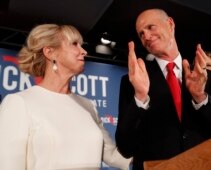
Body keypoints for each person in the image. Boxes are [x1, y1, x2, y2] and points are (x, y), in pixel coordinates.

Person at [115, 8, 211, 169]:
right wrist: (140, 97)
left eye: (151, 27)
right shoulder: (134, 82)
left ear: (170, 24)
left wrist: (201, 97)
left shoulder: (206, 77)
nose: (146, 37)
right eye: (141, 34)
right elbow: (125, 148)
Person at [0, 24, 131, 170]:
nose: (84, 51)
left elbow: (115, 157)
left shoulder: (88, 105)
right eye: (74, 44)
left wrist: (141, 97)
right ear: (50, 52)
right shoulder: (18, 103)